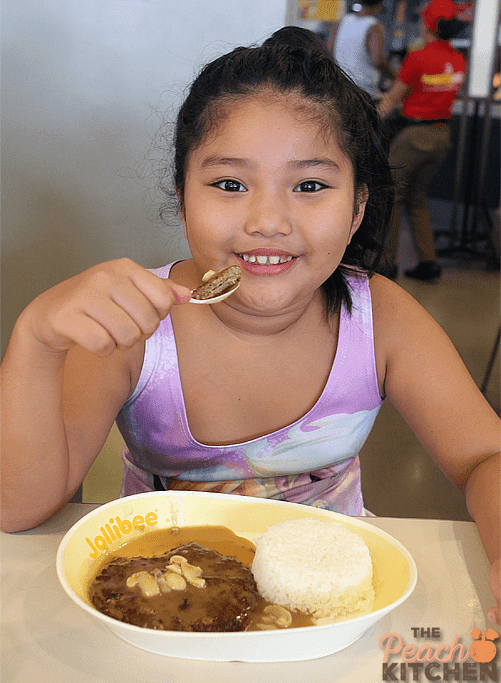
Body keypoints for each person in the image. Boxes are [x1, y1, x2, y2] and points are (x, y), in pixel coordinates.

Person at [1, 26, 499, 624]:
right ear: (182, 197)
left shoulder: (381, 317)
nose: (267, 220)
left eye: (310, 185)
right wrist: (34, 341)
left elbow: (485, 457)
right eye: (229, 184)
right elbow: (18, 509)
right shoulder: (137, 326)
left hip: (331, 612)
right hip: (162, 608)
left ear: (358, 207)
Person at [377, 0, 467, 280]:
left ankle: (386, 266)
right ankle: (429, 263)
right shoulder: (458, 59)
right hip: (442, 136)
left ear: (427, 23)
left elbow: (391, 99)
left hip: (415, 136)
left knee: (390, 195)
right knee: (416, 198)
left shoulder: (418, 57)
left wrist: (364, 125)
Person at [329, 0, 395, 100]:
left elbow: (328, 50)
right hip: (364, 92)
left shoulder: (342, 22)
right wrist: (394, 78)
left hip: (340, 87)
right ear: (378, 6)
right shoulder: (374, 26)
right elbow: (377, 60)